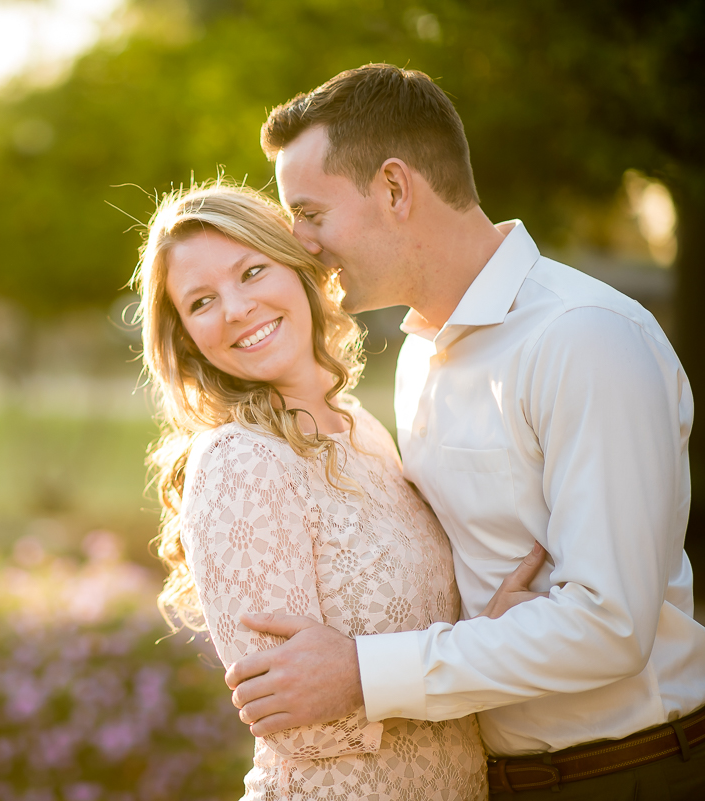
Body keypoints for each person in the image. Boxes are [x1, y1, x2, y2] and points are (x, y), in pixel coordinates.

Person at [227, 63, 705, 800]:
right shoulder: (421, 356)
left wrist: (362, 669)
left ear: (394, 188)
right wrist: (477, 624)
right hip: (494, 777)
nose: (300, 244)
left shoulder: (584, 338)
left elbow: (609, 626)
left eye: (311, 213)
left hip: (630, 770)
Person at [133, 182, 523, 798]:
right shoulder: (240, 462)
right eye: (202, 302)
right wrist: (477, 657)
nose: (236, 308)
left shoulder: (360, 428)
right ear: (185, 338)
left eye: (252, 271)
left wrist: (489, 636)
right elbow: (300, 730)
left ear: (300, 270)